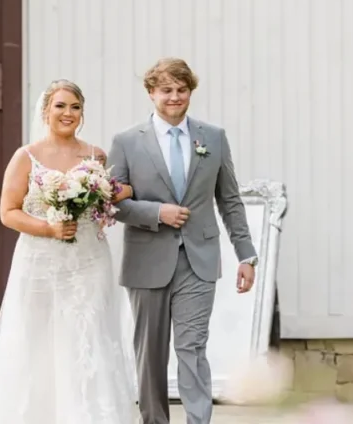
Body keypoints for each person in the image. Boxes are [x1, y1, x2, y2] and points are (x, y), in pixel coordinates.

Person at [0, 79, 140, 424]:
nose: (67, 113)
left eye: (75, 107)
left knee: (89, 335)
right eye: (60, 106)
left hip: (89, 258)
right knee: (36, 338)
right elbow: (8, 213)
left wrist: (109, 194)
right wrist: (49, 227)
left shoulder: (95, 156)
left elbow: (113, 194)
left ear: (83, 114)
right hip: (40, 261)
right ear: (46, 110)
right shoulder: (26, 157)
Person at [108, 57, 259, 424]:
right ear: (151, 93)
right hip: (146, 259)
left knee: (192, 347)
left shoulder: (213, 138)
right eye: (166, 90)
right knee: (151, 354)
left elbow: (230, 200)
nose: (175, 97)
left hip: (199, 258)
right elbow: (112, 205)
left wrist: (246, 255)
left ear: (190, 91)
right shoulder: (126, 142)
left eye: (182, 90)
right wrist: (156, 213)